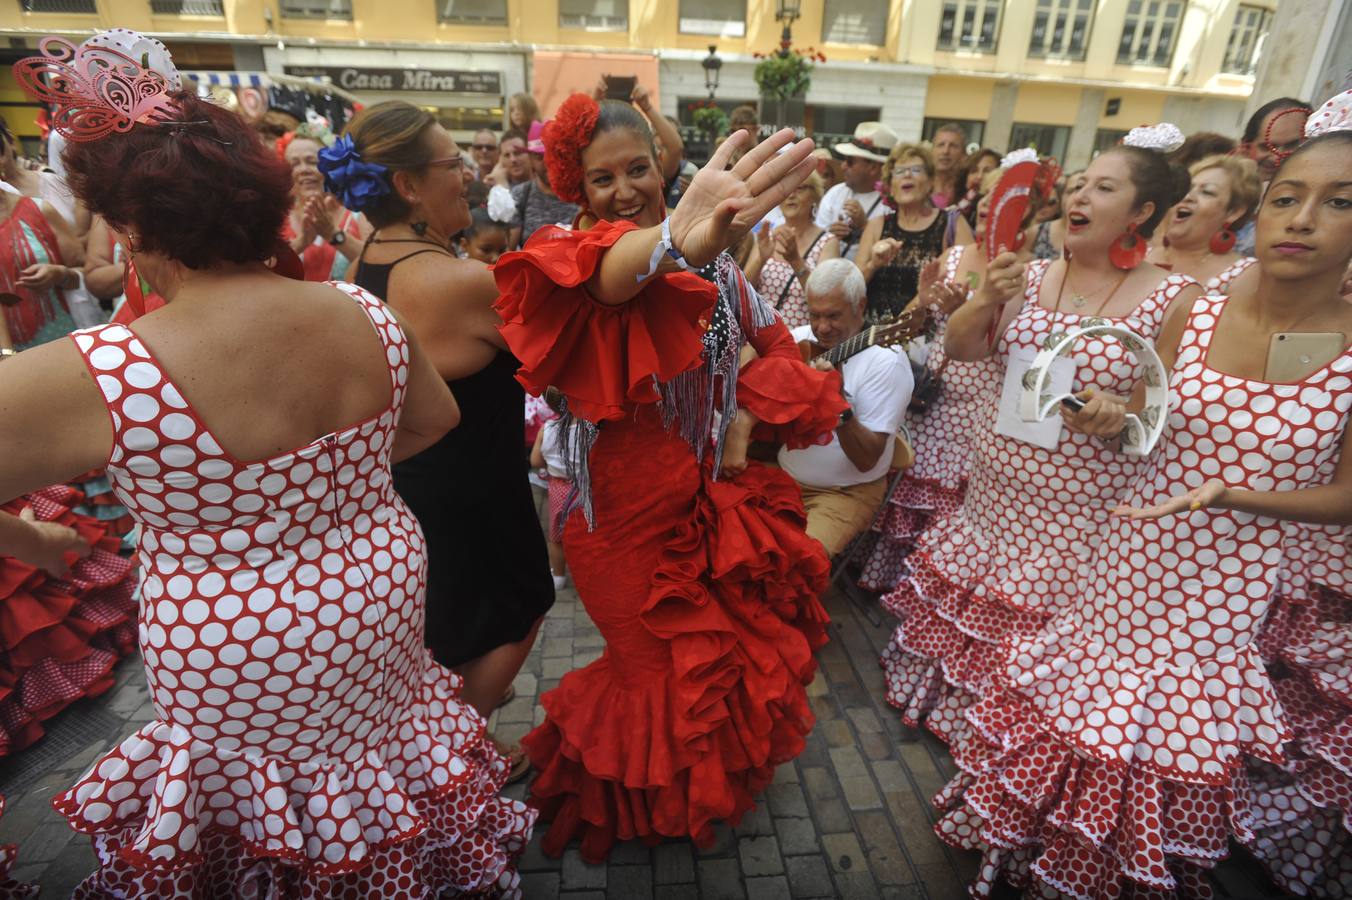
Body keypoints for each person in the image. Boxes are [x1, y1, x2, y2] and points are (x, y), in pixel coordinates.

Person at [3, 39, 533, 895]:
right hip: (378, 611)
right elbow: (432, 422)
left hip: (236, 656)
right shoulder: (359, 309)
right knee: (380, 779)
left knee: (259, 824)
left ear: (134, 229)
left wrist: (26, 537)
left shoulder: (105, 368)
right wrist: (340, 479)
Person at [934, 122, 1352, 900]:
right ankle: (1024, 844)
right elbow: (1142, 417)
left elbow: (1347, 496)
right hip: (1123, 552)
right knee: (1073, 713)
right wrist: (1108, 418)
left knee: (1161, 738)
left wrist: (1235, 497)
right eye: (1289, 198)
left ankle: (1105, 870)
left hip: (1223, 586)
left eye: (1338, 203)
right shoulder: (1196, 311)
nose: (1301, 219)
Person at [492, 92, 847, 862]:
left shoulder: (720, 265)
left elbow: (779, 345)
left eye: (638, 170)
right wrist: (674, 245)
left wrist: (752, 410)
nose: (624, 191)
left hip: (701, 510)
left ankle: (680, 791)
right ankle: (629, 789)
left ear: (664, 169)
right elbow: (616, 282)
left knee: (703, 662)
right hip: (614, 520)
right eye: (601, 179)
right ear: (575, 191)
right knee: (651, 666)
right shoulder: (566, 259)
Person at [877, 128, 1199, 750]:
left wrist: (1116, 413)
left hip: (1073, 522)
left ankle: (999, 743)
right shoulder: (1032, 273)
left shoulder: (1175, 299)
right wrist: (985, 299)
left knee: (1027, 643)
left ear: (1142, 213)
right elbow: (966, 347)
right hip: (993, 499)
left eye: (1104, 188)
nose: (1081, 195)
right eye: (1080, 183)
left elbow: (1157, 418)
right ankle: (947, 715)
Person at [337, 101, 554, 782]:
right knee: (524, 607)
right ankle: (456, 754)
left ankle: (444, 743)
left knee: (448, 629)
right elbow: (553, 362)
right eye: (451, 163)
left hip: (410, 486)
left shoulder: (366, 262)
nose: (466, 175)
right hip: (476, 491)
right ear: (408, 185)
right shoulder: (462, 283)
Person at [858, 162, 1044, 593]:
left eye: (1000, 201)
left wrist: (973, 311)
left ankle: (930, 588)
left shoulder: (1034, 273)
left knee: (951, 509)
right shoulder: (955, 256)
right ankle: (892, 583)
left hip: (983, 408)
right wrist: (924, 302)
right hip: (934, 400)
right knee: (909, 492)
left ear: (1024, 212)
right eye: (984, 200)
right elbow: (906, 327)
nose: (986, 209)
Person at [778, 259, 913, 557]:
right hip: (781, 476)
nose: (822, 328)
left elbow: (867, 460)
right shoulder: (801, 338)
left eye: (833, 316)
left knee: (796, 566)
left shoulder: (886, 361)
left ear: (860, 306)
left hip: (842, 493)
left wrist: (837, 402)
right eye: (815, 315)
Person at [857, 142, 974, 324]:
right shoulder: (876, 226)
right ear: (890, 185)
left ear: (930, 182)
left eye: (916, 169)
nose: (907, 175)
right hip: (873, 337)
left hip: (924, 338)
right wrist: (873, 264)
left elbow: (971, 278)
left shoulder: (952, 223)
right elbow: (852, 289)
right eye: (899, 171)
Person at [1148, 153, 1261, 290]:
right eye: (1186, 189)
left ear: (1234, 212)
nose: (1188, 197)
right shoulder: (1137, 255)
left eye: (1207, 192)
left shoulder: (1244, 274)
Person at [744, 172, 839, 329]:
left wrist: (795, 260)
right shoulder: (767, 235)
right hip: (757, 341)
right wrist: (761, 259)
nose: (791, 195)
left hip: (800, 343)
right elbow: (742, 291)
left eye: (800, 188)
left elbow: (824, 298)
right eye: (786, 189)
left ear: (815, 196)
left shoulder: (828, 242)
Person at [278, 125, 368, 281]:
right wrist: (301, 243)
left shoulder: (358, 213)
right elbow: (261, 271)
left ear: (332, 165)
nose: (303, 170)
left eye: (312, 161)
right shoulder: (278, 216)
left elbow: (377, 265)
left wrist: (333, 234)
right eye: (294, 164)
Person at [1235, 97, 1311, 255]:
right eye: (1267, 147)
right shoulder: (1221, 198)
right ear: (1245, 147)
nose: (1277, 157)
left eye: (1292, 145)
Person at [816, 122, 897, 261]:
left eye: (850, 161)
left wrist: (866, 227)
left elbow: (893, 252)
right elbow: (815, 242)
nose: (843, 166)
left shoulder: (895, 201)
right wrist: (829, 236)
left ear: (873, 168)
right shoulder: (835, 194)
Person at [511, 121, 581, 247]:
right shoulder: (519, 195)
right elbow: (507, 250)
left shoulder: (582, 195)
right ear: (530, 159)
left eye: (553, 154)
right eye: (540, 157)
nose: (548, 162)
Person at [529, 391, 572, 591]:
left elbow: (535, 461)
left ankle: (559, 577)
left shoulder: (547, 429)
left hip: (559, 489)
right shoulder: (589, 428)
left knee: (556, 538)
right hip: (586, 488)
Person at [929, 123, 967, 209]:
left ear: (963, 155)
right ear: (932, 151)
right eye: (941, 145)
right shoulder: (920, 185)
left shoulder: (967, 189)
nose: (945, 151)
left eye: (953, 146)